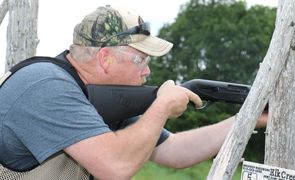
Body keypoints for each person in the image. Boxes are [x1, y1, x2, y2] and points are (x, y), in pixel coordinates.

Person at [0, 5, 267, 180]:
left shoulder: (98, 100)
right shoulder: (46, 86)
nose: (147, 72)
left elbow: (175, 151)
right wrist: (160, 107)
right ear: (105, 59)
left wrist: (248, 119)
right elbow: (115, 167)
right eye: (141, 60)